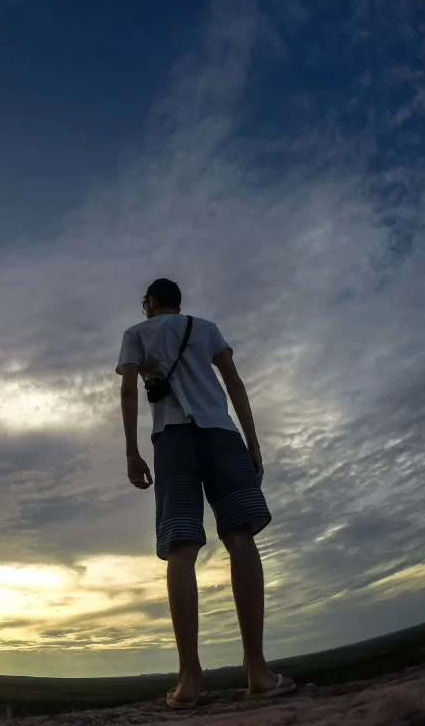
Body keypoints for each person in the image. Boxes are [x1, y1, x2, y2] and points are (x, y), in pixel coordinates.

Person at [116, 278, 295, 709]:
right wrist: (253, 443)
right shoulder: (207, 328)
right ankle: (258, 671)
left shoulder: (136, 335)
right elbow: (235, 384)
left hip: (172, 438)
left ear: (152, 302)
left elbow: (127, 390)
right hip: (221, 433)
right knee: (240, 538)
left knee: (181, 548)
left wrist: (132, 453)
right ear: (179, 303)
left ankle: (189, 680)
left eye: (145, 303)